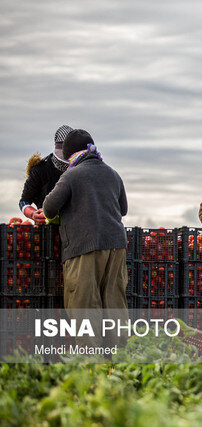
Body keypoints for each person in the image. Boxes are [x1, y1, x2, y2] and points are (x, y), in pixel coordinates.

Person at [43, 129, 129, 351]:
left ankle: (91, 365)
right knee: (114, 304)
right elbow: (123, 209)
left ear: (70, 154)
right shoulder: (112, 173)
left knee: (84, 304)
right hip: (116, 247)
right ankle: (118, 363)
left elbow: (49, 208)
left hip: (84, 247)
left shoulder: (72, 175)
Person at [19, 125, 73, 224]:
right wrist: (33, 214)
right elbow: (24, 202)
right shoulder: (40, 170)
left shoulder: (81, 170)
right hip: (46, 229)